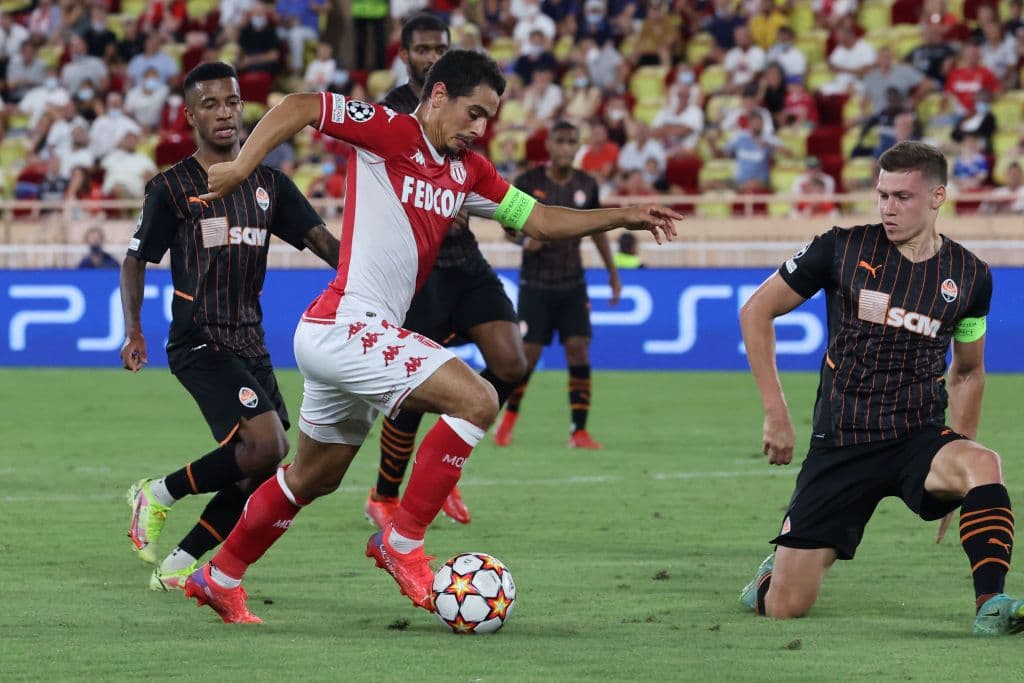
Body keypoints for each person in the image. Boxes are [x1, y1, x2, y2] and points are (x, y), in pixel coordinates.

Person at [179, 49, 679, 623]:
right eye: (473, 112)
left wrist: (621, 214)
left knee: (313, 477)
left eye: (489, 118)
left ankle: (219, 576)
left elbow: (538, 219)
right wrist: (242, 167)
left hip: (346, 335)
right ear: (437, 95)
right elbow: (300, 106)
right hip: (346, 323)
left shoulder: (469, 172)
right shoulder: (390, 132)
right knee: (478, 397)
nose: (479, 128)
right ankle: (403, 542)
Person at [738, 141, 1024, 636]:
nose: (888, 207)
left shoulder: (971, 277)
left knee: (984, 463)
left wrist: (962, 441)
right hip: (843, 442)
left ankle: (991, 604)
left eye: (902, 197)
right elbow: (756, 311)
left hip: (917, 436)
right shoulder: (840, 248)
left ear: (938, 196)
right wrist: (775, 411)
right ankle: (771, 576)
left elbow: (967, 370)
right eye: (882, 194)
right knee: (786, 607)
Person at [120, 62, 340, 592]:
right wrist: (134, 329)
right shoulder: (172, 188)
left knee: (258, 466)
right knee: (269, 446)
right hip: (199, 340)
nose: (224, 113)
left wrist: (372, 277)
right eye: (211, 104)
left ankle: (178, 562)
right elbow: (135, 259)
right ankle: (160, 493)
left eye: (232, 102)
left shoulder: (269, 184)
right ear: (191, 115)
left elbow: (323, 243)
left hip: (250, 340)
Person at [364, 13, 527, 530]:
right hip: (418, 265)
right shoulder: (391, 111)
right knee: (411, 390)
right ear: (404, 53)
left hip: (465, 258)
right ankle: (386, 496)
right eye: (422, 48)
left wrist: (510, 215)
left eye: (440, 46)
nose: (431, 54)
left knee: (511, 360)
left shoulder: (466, 107)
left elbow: (475, 178)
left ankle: (439, 472)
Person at [492, 120, 621, 450]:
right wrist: (524, 242)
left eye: (572, 142)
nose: (566, 147)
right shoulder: (527, 182)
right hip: (536, 284)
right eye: (561, 141)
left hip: (572, 284)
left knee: (579, 349)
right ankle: (508, 421)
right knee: (528, 358)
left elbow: (597, 228)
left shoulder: (586, 184)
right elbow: (507, 225)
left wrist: (612, 272)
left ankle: (579, 431)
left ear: (578, 147)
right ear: (549, 145)